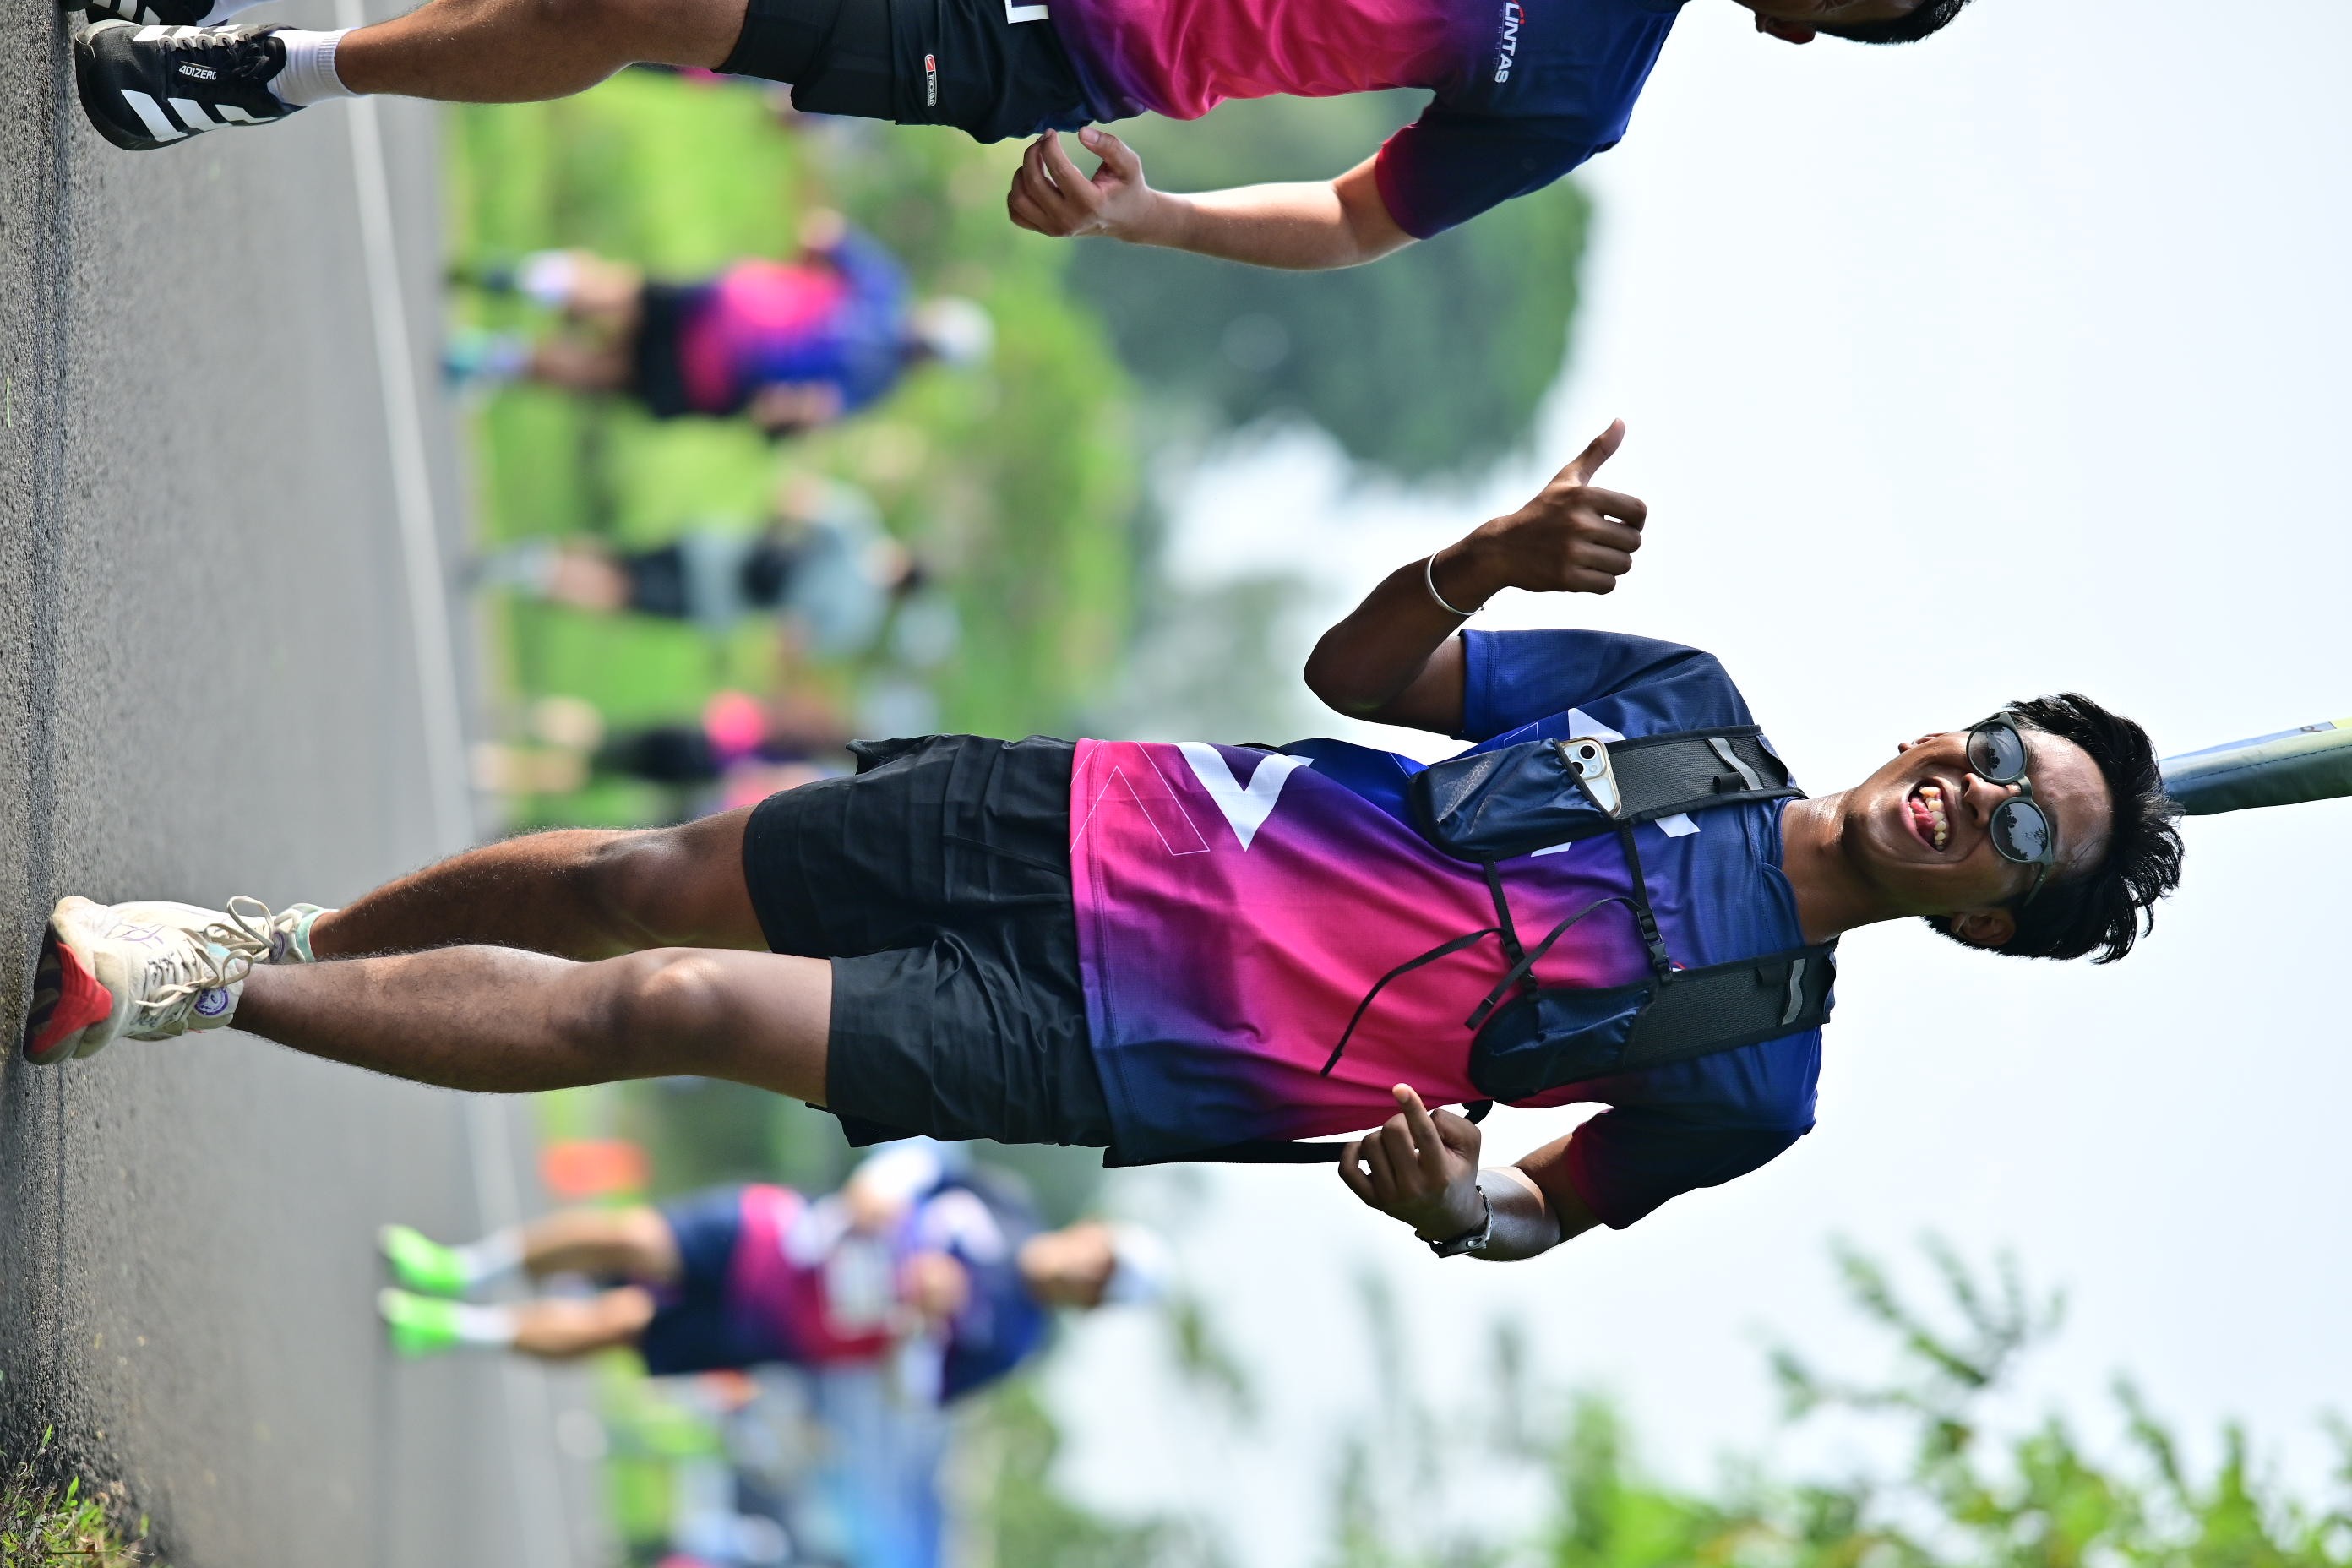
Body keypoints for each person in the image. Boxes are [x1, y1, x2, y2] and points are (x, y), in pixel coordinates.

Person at [20, 418, 2183, 1260]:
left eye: (2020, 829)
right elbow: (1361, 672)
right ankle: (292, 937)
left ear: (1994, 922)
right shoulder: (1678, 699)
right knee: (632, 886)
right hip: (1104, 823)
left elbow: (1545, 1208)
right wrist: (1482, 556)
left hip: (1132, 1056)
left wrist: (1452, 1207)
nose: (1975, 792)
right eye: (1999, 752)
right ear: (1949, 723)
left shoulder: (1756, 1074)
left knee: (667, 998)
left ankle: (200, 988)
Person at [67, 0, 1972, 269]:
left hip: (1019, 40)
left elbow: (1355, 219)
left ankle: (245, 74)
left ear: (1808, 24)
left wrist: (1150, 215)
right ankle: (242, 62)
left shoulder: (1577, 90)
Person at [373, 1141, 1168, 1396]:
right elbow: (924, 1157)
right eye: (1100, 1258)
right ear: (1092, 1232)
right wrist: (878, 1188)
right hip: (777, 1237)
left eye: (1099, 1286)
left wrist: (922, 1328)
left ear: (1091, 1308)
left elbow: (911, 1400)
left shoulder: (1010, 1342)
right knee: (630, 1238)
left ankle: (452, 1328)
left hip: (772, 1328)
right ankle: (464, 1268)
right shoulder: (1007, 1201)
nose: (1085, 1271)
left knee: (617, 1323)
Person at [447, 215, 988, 438]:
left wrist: (795, 276)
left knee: (621, 294)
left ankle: (530, 280)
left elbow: (822, 231)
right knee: (604, 373)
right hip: (719, 375)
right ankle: (492, 358)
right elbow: (805, 409)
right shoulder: (880, 382)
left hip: (735, 300)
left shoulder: (887, 286)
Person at [474, 475, 923, 653]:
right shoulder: (857, 621)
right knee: (620, 592)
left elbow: (795, 496)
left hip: (719, 547)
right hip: (721, 602)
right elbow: (792, 642)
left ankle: (543, 557)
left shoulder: (858, 527)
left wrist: (775, 532)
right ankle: (538, 573)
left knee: (621, 559)